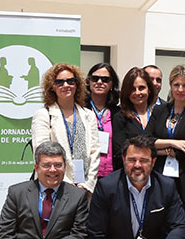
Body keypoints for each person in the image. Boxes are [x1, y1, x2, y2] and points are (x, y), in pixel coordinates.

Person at [150, 64, 185, 233]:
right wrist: (174, 144)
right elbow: (145, 141)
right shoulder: (160, 110)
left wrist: (160, 147)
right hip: (161, 177)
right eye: (176, 85)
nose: (180, 89)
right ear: (170, 85)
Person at [31, 63, 100, 193]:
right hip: (53, 186)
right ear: (52, 86)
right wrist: (67, 185)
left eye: (70, 81)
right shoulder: (44, 115)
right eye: (60, 82)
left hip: (84, 187)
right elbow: (41, 153)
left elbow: (95, 151)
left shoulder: (88, 115)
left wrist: (88, 185)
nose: (66, 85)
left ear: (77, 84)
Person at [85, 62, 122, 179]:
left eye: (105, 79)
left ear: (112, 84)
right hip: (87, 174)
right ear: (89, 82)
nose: (99, 82)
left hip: (112, 174)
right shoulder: (80, 110)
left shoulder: (119, 113)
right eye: (95, 78)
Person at [116, 67, 155, 161]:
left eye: (141, 88)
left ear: (149, 89)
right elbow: (120, 151)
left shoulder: (159, 113)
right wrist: (162, 151)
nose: (137, 93)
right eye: (133, 89)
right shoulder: (120, 117)